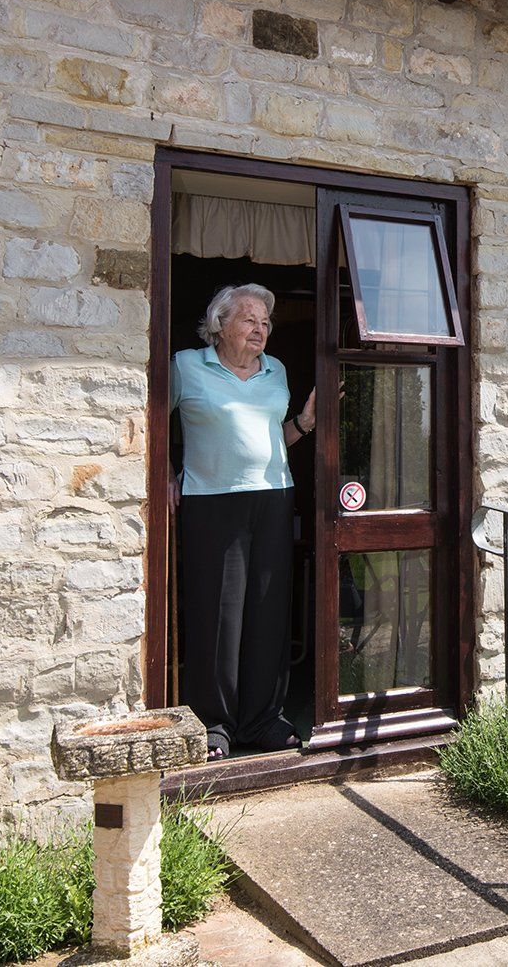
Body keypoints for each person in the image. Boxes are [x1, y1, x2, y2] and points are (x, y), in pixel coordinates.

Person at [170, 283, 316, 761]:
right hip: (213, 502)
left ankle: (263, 720)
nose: (261, 329)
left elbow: (275, 437)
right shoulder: (187, 365)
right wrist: (166, 474)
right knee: (219, 615)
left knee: (269, 612)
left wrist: (305, 425)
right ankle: (214, 724)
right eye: (250, 319)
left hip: (274, 495)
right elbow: (148, 419)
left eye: (266, 322)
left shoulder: (276, 370)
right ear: (220, 325)